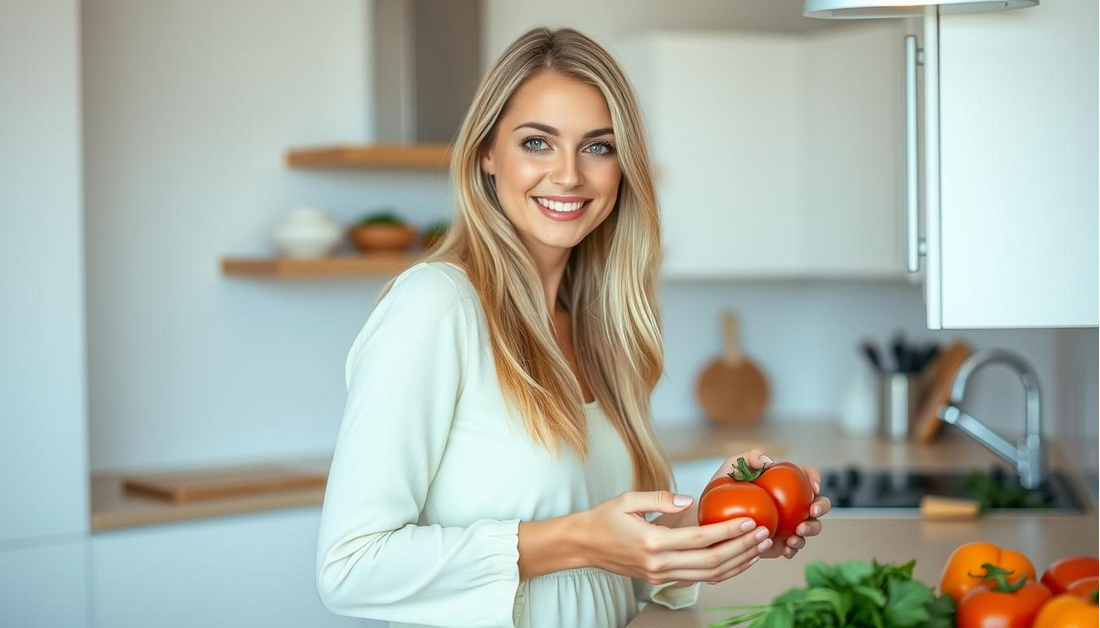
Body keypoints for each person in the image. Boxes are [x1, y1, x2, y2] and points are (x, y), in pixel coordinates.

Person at [315, 26, 831, 628]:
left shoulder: (604, 329)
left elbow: (604, 575)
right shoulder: (437, 304)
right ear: (487, 153)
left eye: (598, 147)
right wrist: (579, 540)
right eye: (537, 142)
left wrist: (711, 527)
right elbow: (349, 569)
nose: (568, 176)